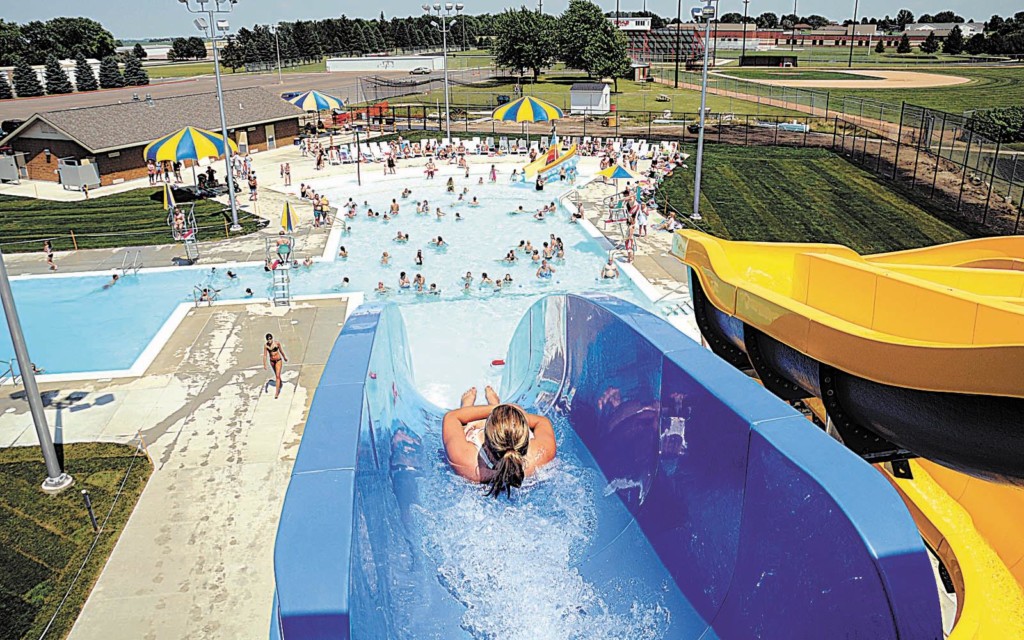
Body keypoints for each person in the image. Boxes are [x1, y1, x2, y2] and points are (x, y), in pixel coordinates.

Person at [442, 386, 557, 496]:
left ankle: (467, 408)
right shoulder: (540, 454)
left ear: (486, 438)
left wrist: (497, 409)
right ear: (525, 439)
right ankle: (499, 409)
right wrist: (511, 411)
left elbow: (451, 417)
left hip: (479, 444)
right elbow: (542, 421)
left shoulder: (467, 460)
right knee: (515, 413)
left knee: (465, 428)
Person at [263, 333, 289, 399]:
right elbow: (265, 355)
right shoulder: (266, 346)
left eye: (270, 339)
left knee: (277, 376)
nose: (269, 341)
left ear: (272, 338)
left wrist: (284, 357)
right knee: (276, 374)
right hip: (272, 361)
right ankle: (279, 383)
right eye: (268, 340)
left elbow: (281, 351)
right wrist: (264, 364)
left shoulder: (277, 343)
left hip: (278, 360)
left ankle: (277, 393)